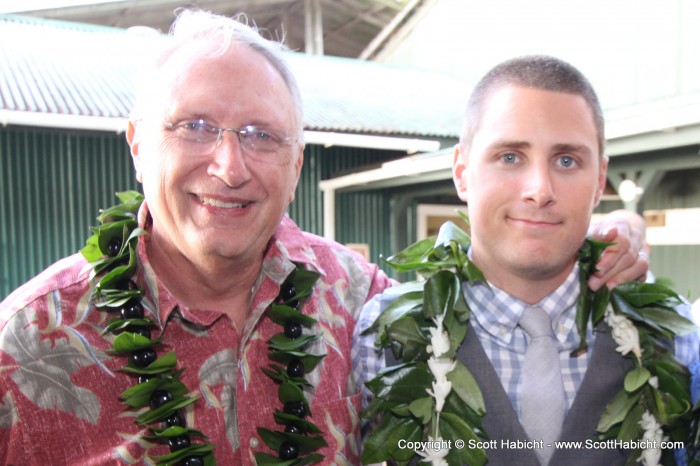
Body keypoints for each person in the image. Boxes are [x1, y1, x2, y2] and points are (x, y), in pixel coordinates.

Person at [0, 11, 649, 465]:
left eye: (261, 135)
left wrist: (592, 239)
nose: (229, 166)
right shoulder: (26, 346)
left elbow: (500, 308)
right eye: (195, 126)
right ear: (138, 144)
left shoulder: (361, 300)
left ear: (297, 164)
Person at [357, 55, 700, 466]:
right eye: (510, 157)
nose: (540, 190)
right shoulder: (380, 337)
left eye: (567, 160)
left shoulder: (674, 335)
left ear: (598, 182)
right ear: (462, 172)